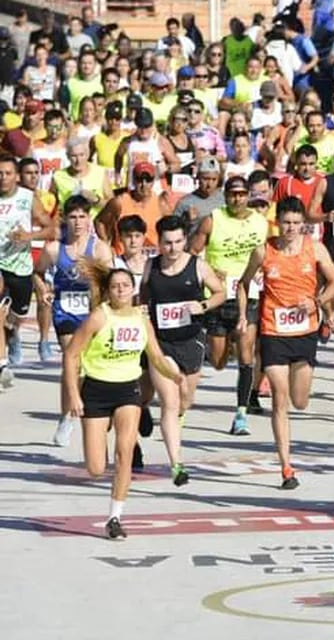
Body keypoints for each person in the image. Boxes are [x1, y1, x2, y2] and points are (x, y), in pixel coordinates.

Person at [63, 266, 184, 539]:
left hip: (129, 389)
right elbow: (71, 356)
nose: (120, 290)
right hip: (96, 388)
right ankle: (99, 434)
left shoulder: (142, 319)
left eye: (125, 285)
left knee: (124, 454)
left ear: (133, 289)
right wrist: (74, 394)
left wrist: (174, 375)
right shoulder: (99, 316)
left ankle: (115, 518)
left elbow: (155, 356)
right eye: (115, 285)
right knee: (95, 468)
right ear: (108, 290)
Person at [237, 196, 334, 489]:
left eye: (297, 223)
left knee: (300, 400)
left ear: (304, 225)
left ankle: (287, 461)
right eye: (286, 223)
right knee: (280, 401)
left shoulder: (315, 249)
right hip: (273, 332)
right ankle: (286, 467)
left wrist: (317, 302)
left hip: (305, 333)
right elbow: (243, 283)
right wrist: (244, 315)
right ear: (277, 222)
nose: (291, 228)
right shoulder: (263, 251)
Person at [142, 215, 226, 486]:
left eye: (178, 241)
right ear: (159, 242)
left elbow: (220, 293)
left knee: (186, 397)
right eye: (167, 242)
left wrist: (201, 306)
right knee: (170, 401)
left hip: (191, 340)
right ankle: (176, 464)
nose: (173, 248)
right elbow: (142, 297)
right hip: (160, 344)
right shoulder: (150, 266)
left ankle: (177, 417)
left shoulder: (197, 266)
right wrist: (141, 311)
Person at [192, 175, 269, 435]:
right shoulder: (212, 220)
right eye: (232, 194)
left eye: (241, 193)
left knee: (248, 355)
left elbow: (267, 254)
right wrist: (211, 269)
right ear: (225, 196)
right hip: (217, 295)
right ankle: (229, 348)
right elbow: (192, 254)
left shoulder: (260, 222)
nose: (237, 198)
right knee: (218, 361)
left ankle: (241, 415)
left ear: (248, 195)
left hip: (249, 293)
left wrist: (264, 271)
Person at [39, 196, 113, 447]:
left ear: (89, 219)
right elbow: (38, 273)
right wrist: (45, 289)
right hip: (65, 312)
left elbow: (112, 282)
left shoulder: (100, 249)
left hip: (92, 313)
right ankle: (66, 417)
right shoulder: (53, 249)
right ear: (64, 219)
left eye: (83, 216)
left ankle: (87, 410)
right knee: (72, 359)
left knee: (88, 367)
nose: (78, 222)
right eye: (73, 217)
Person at [0, 154, 54, 372]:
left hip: (21, 265)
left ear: (16, 177)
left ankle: (11, 333)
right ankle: (2, 363)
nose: (3, 177)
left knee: (18, 313)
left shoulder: (27, 198)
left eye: (8, 173)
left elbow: (51, 227)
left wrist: (29, 237)